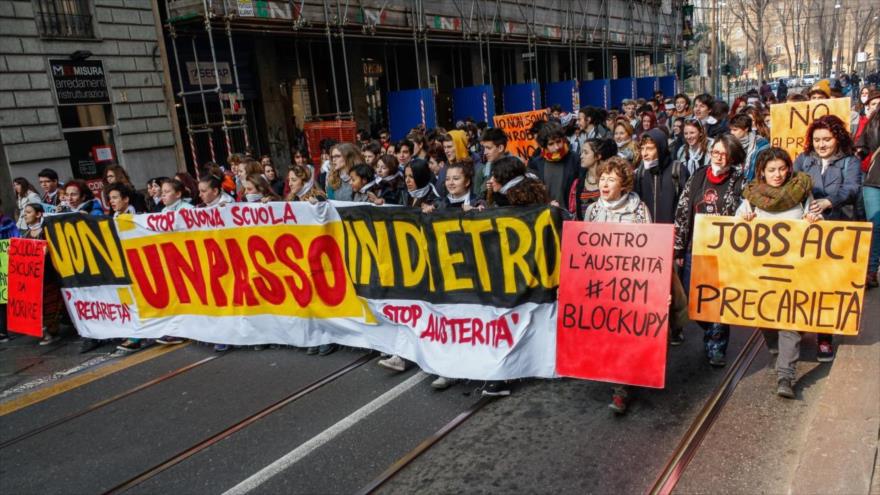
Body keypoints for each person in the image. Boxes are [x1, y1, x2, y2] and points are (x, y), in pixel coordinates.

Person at [736, 147, 822, 398]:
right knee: (765, 315)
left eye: (782, 169)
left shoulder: (803, 193)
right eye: (771, 170)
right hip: (762, 272)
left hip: (795, 270)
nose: (778, 174)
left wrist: (814, 221)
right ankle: (775, 347)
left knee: (790, 319)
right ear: (762, 172)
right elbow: (734, 231)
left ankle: (786, 374)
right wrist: (744, 221)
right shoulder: (751, 197)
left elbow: (821, 229)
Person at [793, 115, 863, 361]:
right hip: (806, 232)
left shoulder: (850, 162)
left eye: (826, 139)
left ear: (837, 138)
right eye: (816, 140)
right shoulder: (803, 160)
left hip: (836, 230)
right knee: (803, 282)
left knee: (828, 286)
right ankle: (797, 329)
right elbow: (791, 186)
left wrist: (829, 201)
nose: (821, 144)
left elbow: (853, 187)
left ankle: (824, 337)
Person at [674, 134, 747, 367]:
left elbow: (746, 209)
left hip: (724, 251)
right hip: (695, 248)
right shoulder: (697, 176)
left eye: (725, 154)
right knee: (693, 302)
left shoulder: (740, 180)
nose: (719, 157)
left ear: (733, 157)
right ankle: (710, 329)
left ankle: (716, 346)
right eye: (716, 152)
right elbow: (683, 211)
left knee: (717, 301)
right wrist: (678, 248)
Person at [17, 203, 64, 346]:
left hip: (49, 276)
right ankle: (47, 330)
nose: (25, 215)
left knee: (51, 304)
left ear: (38, 214)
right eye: (24, 213)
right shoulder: (24, 235)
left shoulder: (46, 231)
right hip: (35, 279)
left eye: (29, 212)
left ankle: (52, 331)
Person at [855, 90, 880, 288]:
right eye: (873, 103)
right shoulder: (873, 122)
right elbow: (862, 147)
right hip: (874, 179)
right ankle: (871, 270)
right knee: (875, 225)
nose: (876, 106)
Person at [528, 121, 580, 209]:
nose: (556, 147)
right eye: (551, 144)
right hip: (546, 214)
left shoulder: (574, 159)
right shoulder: (537, 163)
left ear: (563, 139)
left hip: (570, 214)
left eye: (558, 141)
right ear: (544, 146)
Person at [569, 138, 617, 220]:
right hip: (584, 230)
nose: (581, 156)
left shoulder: (611, 181)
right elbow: (574, 212)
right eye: (582, 152)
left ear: (598, 156)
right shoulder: (578, 183)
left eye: (586, 152)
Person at [729, 114, 770, 182]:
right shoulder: (729, 142)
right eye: (731, 130)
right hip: (732, 181)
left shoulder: (761, 145)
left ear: (746, 129)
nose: (731, 132)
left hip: (751, 182)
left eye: (735, 130)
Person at [476, 128, 509, 197]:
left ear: (500, 148)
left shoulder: (516, 167)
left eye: (489, 148)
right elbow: (477, 197)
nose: (485, 152)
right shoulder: (482, 171)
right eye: (484, 148)